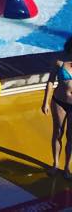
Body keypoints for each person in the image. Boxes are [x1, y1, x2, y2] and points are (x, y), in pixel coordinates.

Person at [41, 36, 72, 178]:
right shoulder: (60, 63)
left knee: (71, 137)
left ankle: (67, 167)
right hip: (59, 101)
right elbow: (50, 82)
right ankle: (56, 164)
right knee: (58, 133)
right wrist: (45, 102)